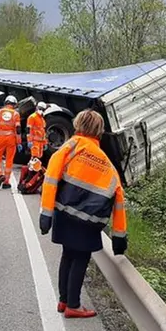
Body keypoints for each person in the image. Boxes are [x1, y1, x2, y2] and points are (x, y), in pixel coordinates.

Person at [39, 109, 128, 319]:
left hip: (63, 213)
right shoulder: (107, 164)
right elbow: (119, 202)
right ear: (99, 131)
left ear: (78, 124)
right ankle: (74, 305)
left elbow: (51, 177)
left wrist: (46, 214)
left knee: (68, 255)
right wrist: (119, 239)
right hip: (89, 222)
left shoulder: (70, 147)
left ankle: (63, 300)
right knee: (81, 258)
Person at [0, 95, 22, 190]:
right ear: (14, 104)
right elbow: (18, 129)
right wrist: (19, 142)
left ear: (5, 103)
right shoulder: (16, 114)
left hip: (0, 138)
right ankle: (6, 182)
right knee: (9, 160)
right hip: (11, 139)